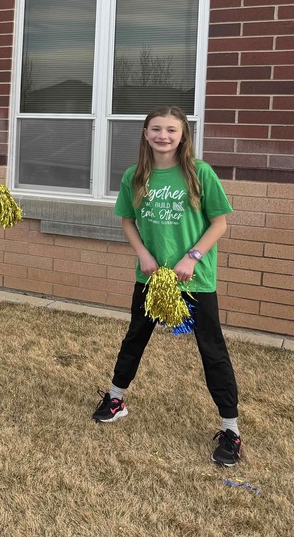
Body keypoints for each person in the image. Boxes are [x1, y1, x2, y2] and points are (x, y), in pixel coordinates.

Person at [92, 106, 242, 467]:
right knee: (135, 337)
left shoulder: (199, 173)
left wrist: (191, 257)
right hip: (151, 278)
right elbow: (127, 220)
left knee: (212, 349)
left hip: (195, 280)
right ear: (145, 134)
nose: (163, 136)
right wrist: (143, 253)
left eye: (171, 130)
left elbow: (219, 224)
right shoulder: (136, 175)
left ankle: (231, 429)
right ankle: (116, 399)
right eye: (156, 129)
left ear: (183, 135)